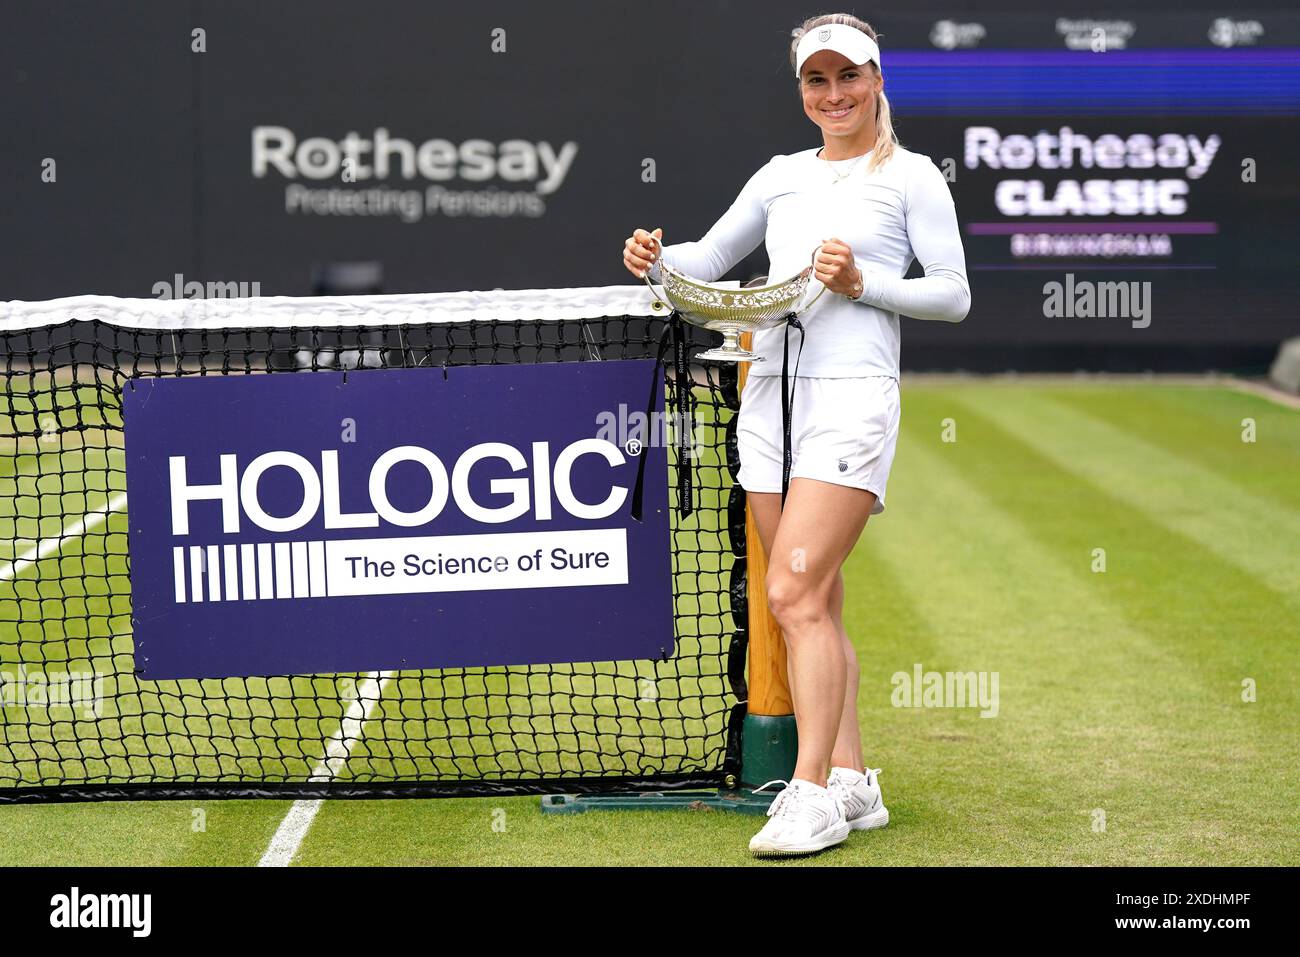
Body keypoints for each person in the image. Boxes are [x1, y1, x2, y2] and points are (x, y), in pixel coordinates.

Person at [622, 13, 970, 857]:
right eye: (817, 80)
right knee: (815, 597)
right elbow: (709, 258)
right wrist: (657, 261)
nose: (834, 94)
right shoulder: (780, 175)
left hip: (851, 397)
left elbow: (953, 293)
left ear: (877, 79)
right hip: (769, 395)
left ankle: (809, 789)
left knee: (792, 594)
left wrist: (862, 281)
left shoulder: (914, 177)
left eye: (848, 76)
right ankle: (854, 778)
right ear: (803, 90)